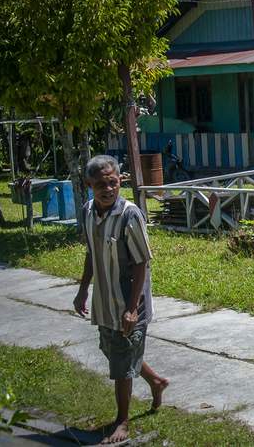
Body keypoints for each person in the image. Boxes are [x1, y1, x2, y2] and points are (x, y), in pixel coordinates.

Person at [73, 155, 168, 444]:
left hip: (130, 303)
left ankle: (122, 421)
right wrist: (82, 289)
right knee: (114, 351)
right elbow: (92, 253)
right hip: (105, 301)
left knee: (121, 365)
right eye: (101, 184)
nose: (108, 189)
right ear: (89, 185)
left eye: (113, 183)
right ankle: (156, 381)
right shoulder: (88, 211)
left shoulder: (130, 215)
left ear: (120, 181)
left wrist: (131, 309)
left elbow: (142, 264)